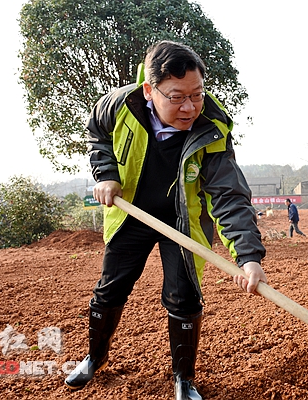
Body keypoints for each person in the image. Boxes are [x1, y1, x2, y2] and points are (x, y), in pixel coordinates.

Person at [64, 40, 268, 399]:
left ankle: (183, 380)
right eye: (176, 97)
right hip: (132, 215)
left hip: (182, 222)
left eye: (197, 94)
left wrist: (248, 257)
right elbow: (98, 133)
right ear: (149, 90)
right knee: (111, 288)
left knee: (184, 296)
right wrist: (106, 173)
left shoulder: (212, 127)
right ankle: (94, 357)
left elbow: (229, 195)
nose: (189, 106)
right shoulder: (119, 105)